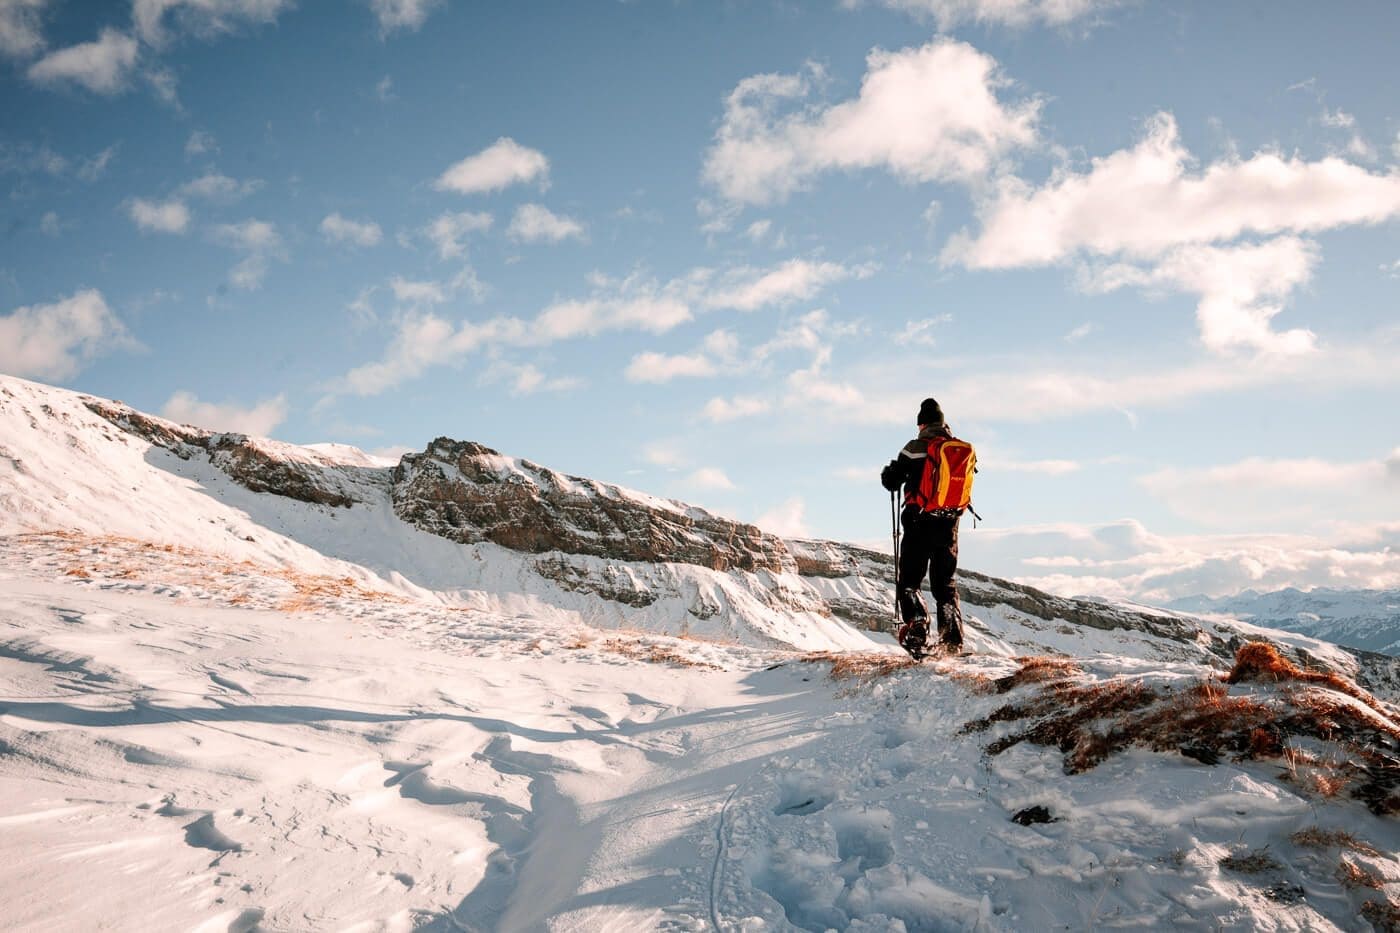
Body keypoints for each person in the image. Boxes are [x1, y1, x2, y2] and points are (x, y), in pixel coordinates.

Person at [880, 397, 969, 656]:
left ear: (922, 424)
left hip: (919, 522)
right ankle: (952, 641)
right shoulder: (958, 449)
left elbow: (891, 480)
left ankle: (917, 628)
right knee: (945, 584)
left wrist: (891, 472)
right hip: (949, 523)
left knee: (909, 580)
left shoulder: (915, 446)